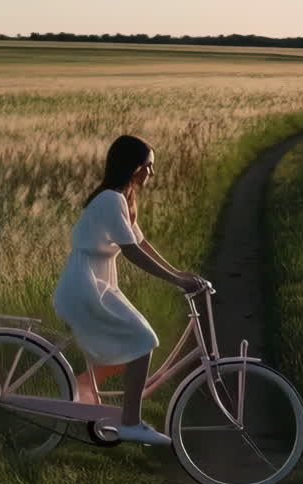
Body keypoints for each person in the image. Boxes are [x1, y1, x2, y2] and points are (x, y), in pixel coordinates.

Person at [53, 135, 206, 446]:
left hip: (93, 284)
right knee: (143, 340)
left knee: (128, 343)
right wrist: (176, 282)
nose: (151, 173)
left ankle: (86, 389)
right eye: (148, 166)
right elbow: (133, 253)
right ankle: (130, 423)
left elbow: (141, 243)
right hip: (86, 288)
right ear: (134, 167)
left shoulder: (121, 199)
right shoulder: (110, 200)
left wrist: (178, 273)